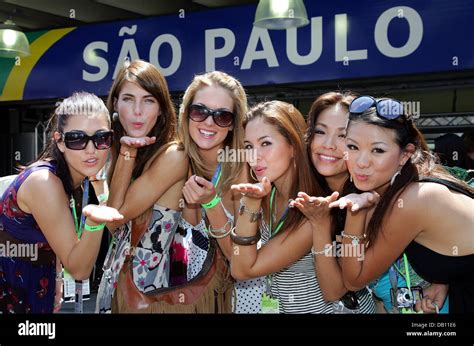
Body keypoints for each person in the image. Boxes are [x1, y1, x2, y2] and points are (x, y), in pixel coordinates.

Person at [331, 95, 474, 313]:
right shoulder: (412, 183)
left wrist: (355, 212)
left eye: (377, 150)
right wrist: (444, 277)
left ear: (405, 155)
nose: (361, 161)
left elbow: (354, 279)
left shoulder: (412, 199)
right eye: (352, 146)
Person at [0, 92, 123, 313]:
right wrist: (94, 223)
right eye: (77, 138)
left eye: (101, 138)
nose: (91, 149)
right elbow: (79, 269)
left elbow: (49, 235)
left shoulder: (68, 177)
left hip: (32, 282)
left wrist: (56, 276)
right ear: (60, 141)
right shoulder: (45, 183)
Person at [96, 60, 188, 313]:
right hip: (116, 285)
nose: (137, 111)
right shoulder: (118, 155)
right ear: (115, 104)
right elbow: (116, 230)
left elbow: (113, 219)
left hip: (153, 296)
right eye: (128, 99)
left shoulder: (174, 155)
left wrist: (127, 151)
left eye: (148, 100)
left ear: (161, 109)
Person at [230, 100, 334, 313]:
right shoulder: (269, 194)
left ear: (293, 146)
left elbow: (242, 269)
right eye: (249, 146)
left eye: (265, 143)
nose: (253, 156)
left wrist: (249, 204)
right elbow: (238, 257)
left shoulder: (312, 208)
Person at [177, 71, 264, 313]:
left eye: (222, 116)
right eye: (199, 111)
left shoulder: (240, 168)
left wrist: (211, 202)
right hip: (195, 297)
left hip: (242, 300)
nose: (208, 122)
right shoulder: (177, 161)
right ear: (186, 113)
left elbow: (237, 258)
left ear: (234, 124)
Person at [292, 91, 375, 313]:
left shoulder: (369, 197)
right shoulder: (309, 193)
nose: (328, 144)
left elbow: (333, 291)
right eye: (320, 132)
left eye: (342, 135)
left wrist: (320, 224)